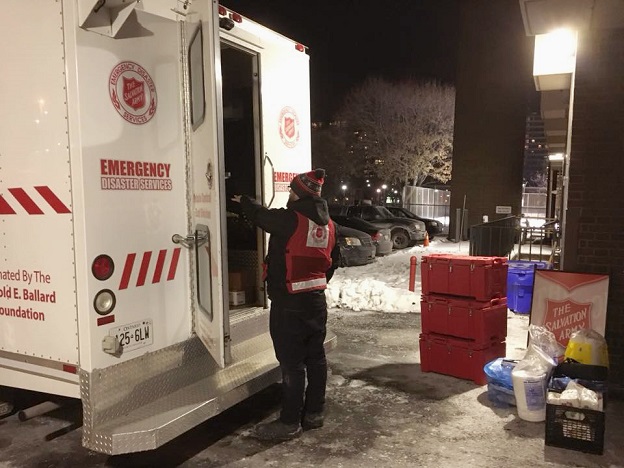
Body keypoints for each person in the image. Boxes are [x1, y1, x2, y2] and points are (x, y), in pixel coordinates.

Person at [231, 168, 339, 441]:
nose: (289, 194)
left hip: (289, 303)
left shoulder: (290, 219)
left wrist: (243, 200)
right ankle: (314, 413)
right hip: (316, 301)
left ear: (299, 193)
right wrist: (313, 282)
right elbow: (332, 262)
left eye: (292, 190)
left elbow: (259, 216)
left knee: (291, 363)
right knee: (315, 358)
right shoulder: (329, 225)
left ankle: (289, 422)